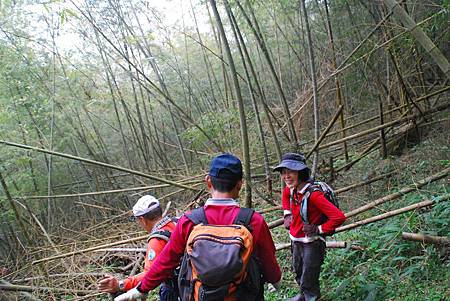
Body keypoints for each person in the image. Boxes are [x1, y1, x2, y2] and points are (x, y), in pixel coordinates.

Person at [115, 153, 282, 301]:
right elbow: (268, 261)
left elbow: (166, 261)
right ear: (240, 184)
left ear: (208, 181)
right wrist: (275, 280)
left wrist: (141, 288)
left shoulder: (189, 221)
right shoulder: (254, 221)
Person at [273, 153, 346, 301]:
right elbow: (285, 195)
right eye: (284, 172)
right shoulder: (291, 189)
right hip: (295, 238)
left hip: (312, 242)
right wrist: (287, 214)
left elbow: (339, 217)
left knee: (310, 272)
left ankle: (311, 297)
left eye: (291, 172)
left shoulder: (314, 195)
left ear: (301, 173)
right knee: (298, 269)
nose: (286, 176)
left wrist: (319, 229)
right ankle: (302, 295)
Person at [98, 195, 178, 300]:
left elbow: (150, 275)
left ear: (142, 219)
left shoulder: (157, 240)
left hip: (176, 290)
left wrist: (120, 285)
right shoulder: (177, 223)